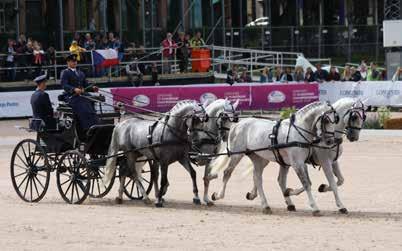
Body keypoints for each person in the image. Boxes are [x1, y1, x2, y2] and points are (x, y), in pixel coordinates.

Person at [60, 54, 99, 132]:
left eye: (75, 61)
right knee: (82, 103)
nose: (75, 63)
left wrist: (92, 88)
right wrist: (74, 89)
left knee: (92, 99)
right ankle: (86, 127)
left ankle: (95, 123)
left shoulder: (80, 73)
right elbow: (64, 85)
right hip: (71, 96)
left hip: (81, 95)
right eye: (72, 61)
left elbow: (86, 85)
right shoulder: (65, 72)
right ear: (68, 62)